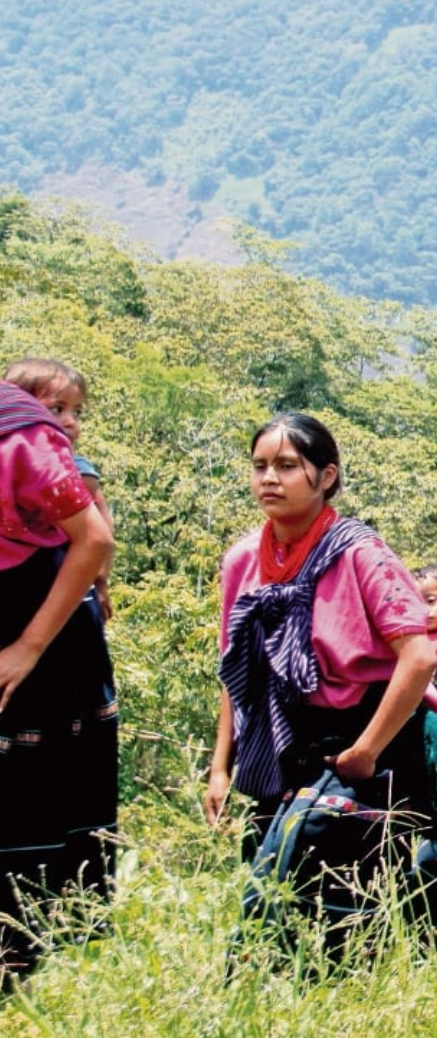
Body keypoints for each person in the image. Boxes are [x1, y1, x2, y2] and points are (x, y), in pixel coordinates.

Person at [206, 414, 437, 929]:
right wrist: (220, 766)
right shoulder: (243, 561)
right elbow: (238, 669)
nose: (269, 478)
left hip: (366, 739)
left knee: (336, 893)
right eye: (260, 466)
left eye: (288, 466)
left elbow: (419, 656)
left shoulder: (361, 554)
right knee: (272, 889)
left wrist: (366, 751)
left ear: (327, 476)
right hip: (281, 742)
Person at [0, 378, 115, 978]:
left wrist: (27, 646)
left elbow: (96, 538)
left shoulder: (20, 435)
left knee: (32, 797)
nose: (68, 421)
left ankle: (24, 957)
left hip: (40, 630)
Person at [4, 359, 113, 621]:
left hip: (66, 585)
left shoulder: (77, 471)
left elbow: (102, 529)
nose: (70, 422)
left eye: (77, 412)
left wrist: (100, 580)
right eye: (57, 409)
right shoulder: (20, 456)